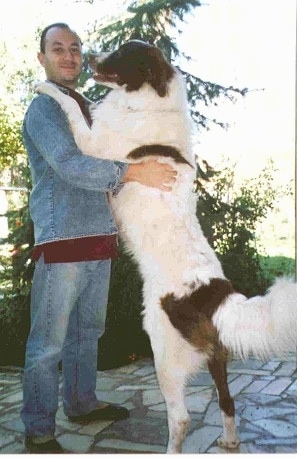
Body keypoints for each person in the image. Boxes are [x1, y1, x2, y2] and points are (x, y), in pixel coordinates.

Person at [21, 22, 177, 454]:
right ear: (43, 59)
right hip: (63, 241)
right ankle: (38, 429)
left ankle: (82, 402)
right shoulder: (44, 110)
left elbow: (114, 149)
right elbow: (70, 165)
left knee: (87, 332)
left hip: (99, 239)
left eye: (74, 48)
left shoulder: (87, 106)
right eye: (58, 49)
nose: (69, 56)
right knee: (48, 342)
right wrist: (134, 172)